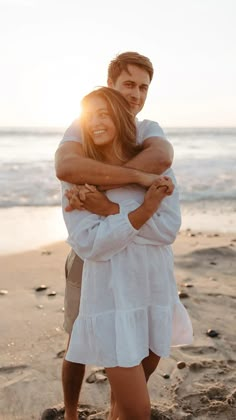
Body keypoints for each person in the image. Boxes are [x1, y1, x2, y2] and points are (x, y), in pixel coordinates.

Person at [55, 52, 175, 418]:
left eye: (143, 87)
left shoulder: (148, 129)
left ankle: (116, 408)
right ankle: (72, 411)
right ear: (110, 86)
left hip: (141, 263)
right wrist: (136, 188)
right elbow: (67, 166)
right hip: (93, 260)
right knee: (79, 336)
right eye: (128, 85)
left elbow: (161, 158)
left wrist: (103, 194)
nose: (136, 94)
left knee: (142, 340)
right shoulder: (84, 125)